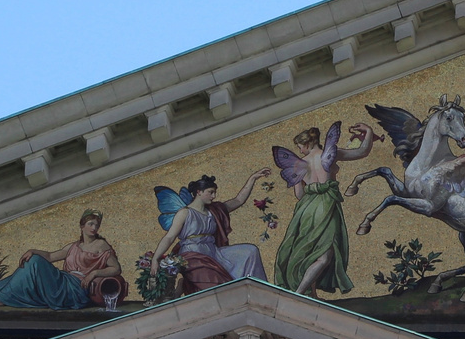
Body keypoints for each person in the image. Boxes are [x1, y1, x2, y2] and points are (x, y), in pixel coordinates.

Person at [272, 121, 380, 297]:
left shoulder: (298, 164)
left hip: (306, 210)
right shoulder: (329, 153)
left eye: (300, 147)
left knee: (310, 250)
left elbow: (299, 194)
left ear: (307, 144)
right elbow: (362, 151)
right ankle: (300, 293)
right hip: (326, 206)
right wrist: (368, 131)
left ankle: (310, 294)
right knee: (325, 254)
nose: (300, 151)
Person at [0, 209, 124, 309]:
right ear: (82, 226)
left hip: (76, 290)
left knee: (34, 262)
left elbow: (115, 268)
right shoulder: (73, 246)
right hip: (63, 282)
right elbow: (51, 256)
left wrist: (94, 273)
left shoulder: (101, 245)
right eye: (90, 224)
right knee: (31, 262)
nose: (94, 228)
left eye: (96, 225)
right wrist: (32, 250)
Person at [151, 168, 272, 295]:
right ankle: (184, 285)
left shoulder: (213, 211)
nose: (214, 196)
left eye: (214, 192)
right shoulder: (185, 213)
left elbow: (238, 201)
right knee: (215, 284)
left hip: (213, 252)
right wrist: (155, 258)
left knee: (250, 251)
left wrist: (253, 178)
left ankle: (258, 293)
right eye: (211, 192)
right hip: (192, 255)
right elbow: (169, 237)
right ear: (199, 192)